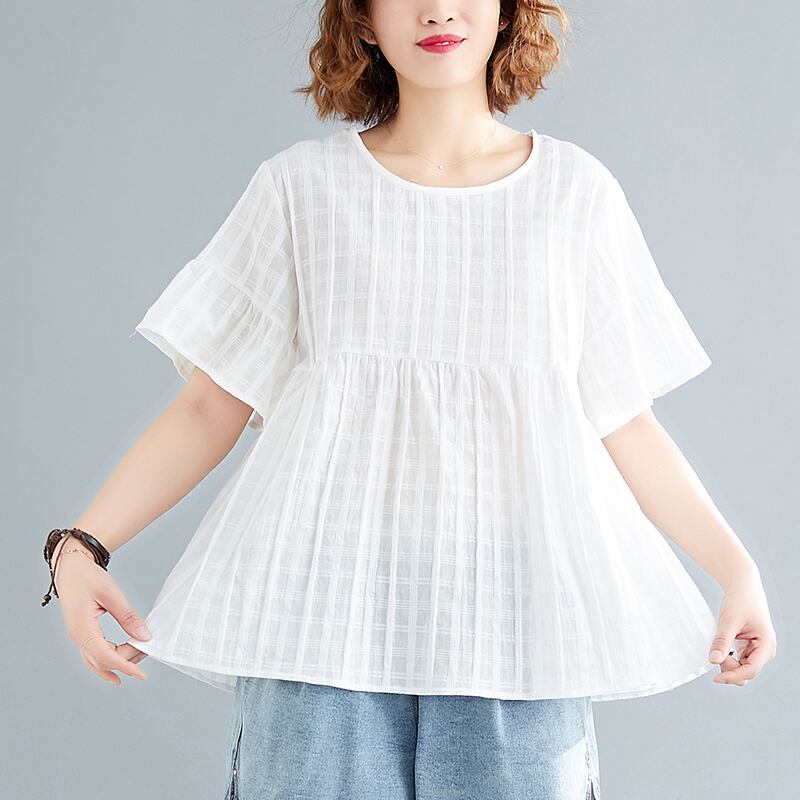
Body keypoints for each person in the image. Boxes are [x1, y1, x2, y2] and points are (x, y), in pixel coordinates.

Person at [42, 2, 777, 798]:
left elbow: (622, 418)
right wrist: (80, 547)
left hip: (517, 619)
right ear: (362, 19)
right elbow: (207, 406)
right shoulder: (302, 189)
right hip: (319, 615)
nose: (437, 9)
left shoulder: (575, 194)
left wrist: (736, 570)